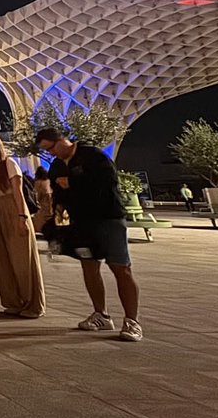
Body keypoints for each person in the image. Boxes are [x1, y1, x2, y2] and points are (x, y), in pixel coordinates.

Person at [38, 128, 142, 341]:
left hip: (108, 219)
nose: (51, 154)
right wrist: (57, 224)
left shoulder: (93, 155)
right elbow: (60, 196)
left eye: (51, 148)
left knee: (120, 267)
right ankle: (101, 315)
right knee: (89, 266)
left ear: (61, 139)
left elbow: (107, 185)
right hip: (81, 224)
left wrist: (73, 183)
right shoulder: (57, 166)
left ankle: (132, 321)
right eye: (46, 151)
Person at [0, 131, 45, 318]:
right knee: (2, 258)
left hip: (12, 209)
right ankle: (13, 301)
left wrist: (22, 217)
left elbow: (18, 192)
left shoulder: (8, 163)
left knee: (22, 258)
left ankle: (32, 304)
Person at [33, 167, 54, 237]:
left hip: (41, 211)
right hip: (51, 209)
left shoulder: (38, 184)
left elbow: (37, 197)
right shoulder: (49, 182)